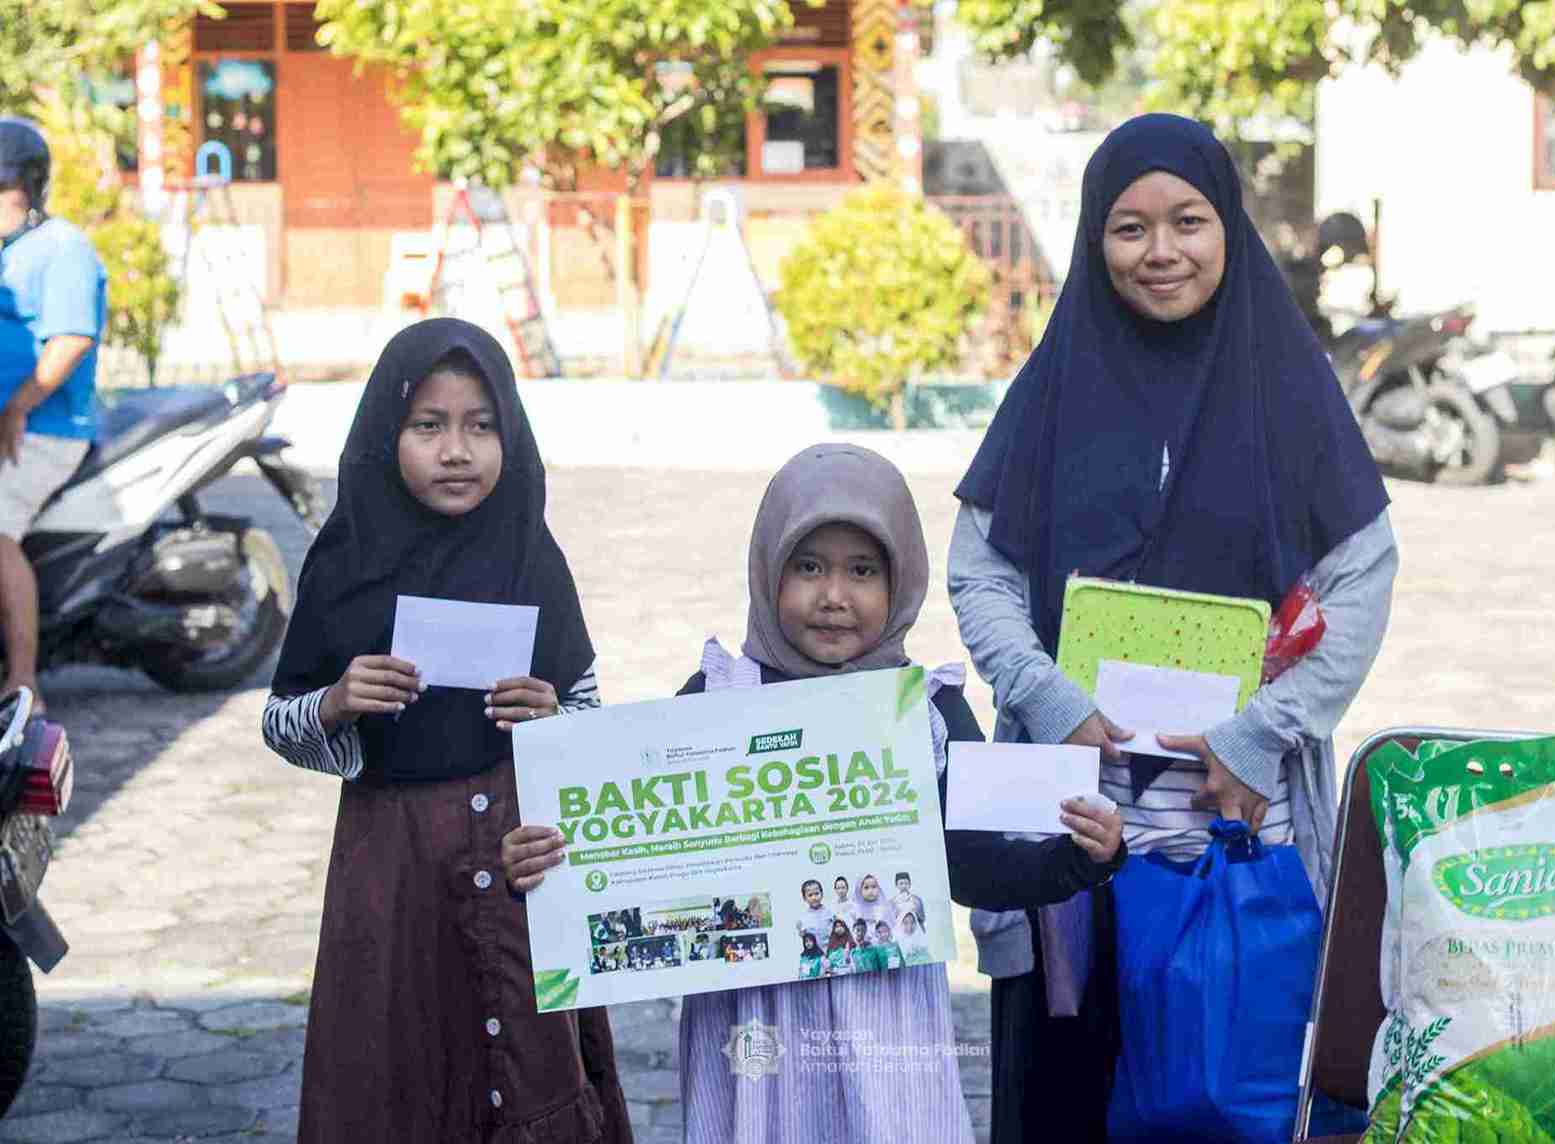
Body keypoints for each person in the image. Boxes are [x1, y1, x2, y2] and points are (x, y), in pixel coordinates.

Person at [949, 114, 1397, 1142]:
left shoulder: (1287, 385)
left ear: (1228, 227)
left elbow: (1363, 575)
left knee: (1221, 1080)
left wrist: (1261, 733)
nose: (1161, 252)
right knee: (1068, 1078)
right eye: (1130, 228)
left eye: (1188, 222)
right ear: (1092, 243)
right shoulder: (1055, 384)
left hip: (1237, 800)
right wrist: (1046, 694)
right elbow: (981, 567)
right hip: (1068, 802)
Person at [580, 442, 1124, 1143]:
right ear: (768, 568)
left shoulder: (927, 712)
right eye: (808, 567)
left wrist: (1082, 856)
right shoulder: (715, 702)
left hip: (887, 1023)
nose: (834, 596)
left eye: (862, 571)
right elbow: (638, 856)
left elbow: (977, 864)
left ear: (898, 582)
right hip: (753, 1026)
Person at [260, 319, 630, 1143]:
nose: (456, 450)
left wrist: (552, 716)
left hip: (518, 854)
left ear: (511, 435)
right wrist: (335, 701)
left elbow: (589, 710)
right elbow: (279, 722)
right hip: (390, 866)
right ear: (386, 434)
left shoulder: (530, 553)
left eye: (481, 425)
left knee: (529, 1064)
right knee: (397, 1066)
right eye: (428, 426)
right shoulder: (346, 559)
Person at [0, 118, 104, 708]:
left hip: (47, 427)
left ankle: (22, 679)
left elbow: (69, 340)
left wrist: (16, 407)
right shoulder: (15, 251)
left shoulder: (62, 247)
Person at [794, 878, 835, 948]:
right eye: (810, 895)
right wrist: (800, 931)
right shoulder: (803, 918)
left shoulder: (830, 913)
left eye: (816, 894)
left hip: (831, 951)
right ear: (804, 898)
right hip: (815, 954)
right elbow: (804, 938)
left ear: (822, 894)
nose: (814, 897)